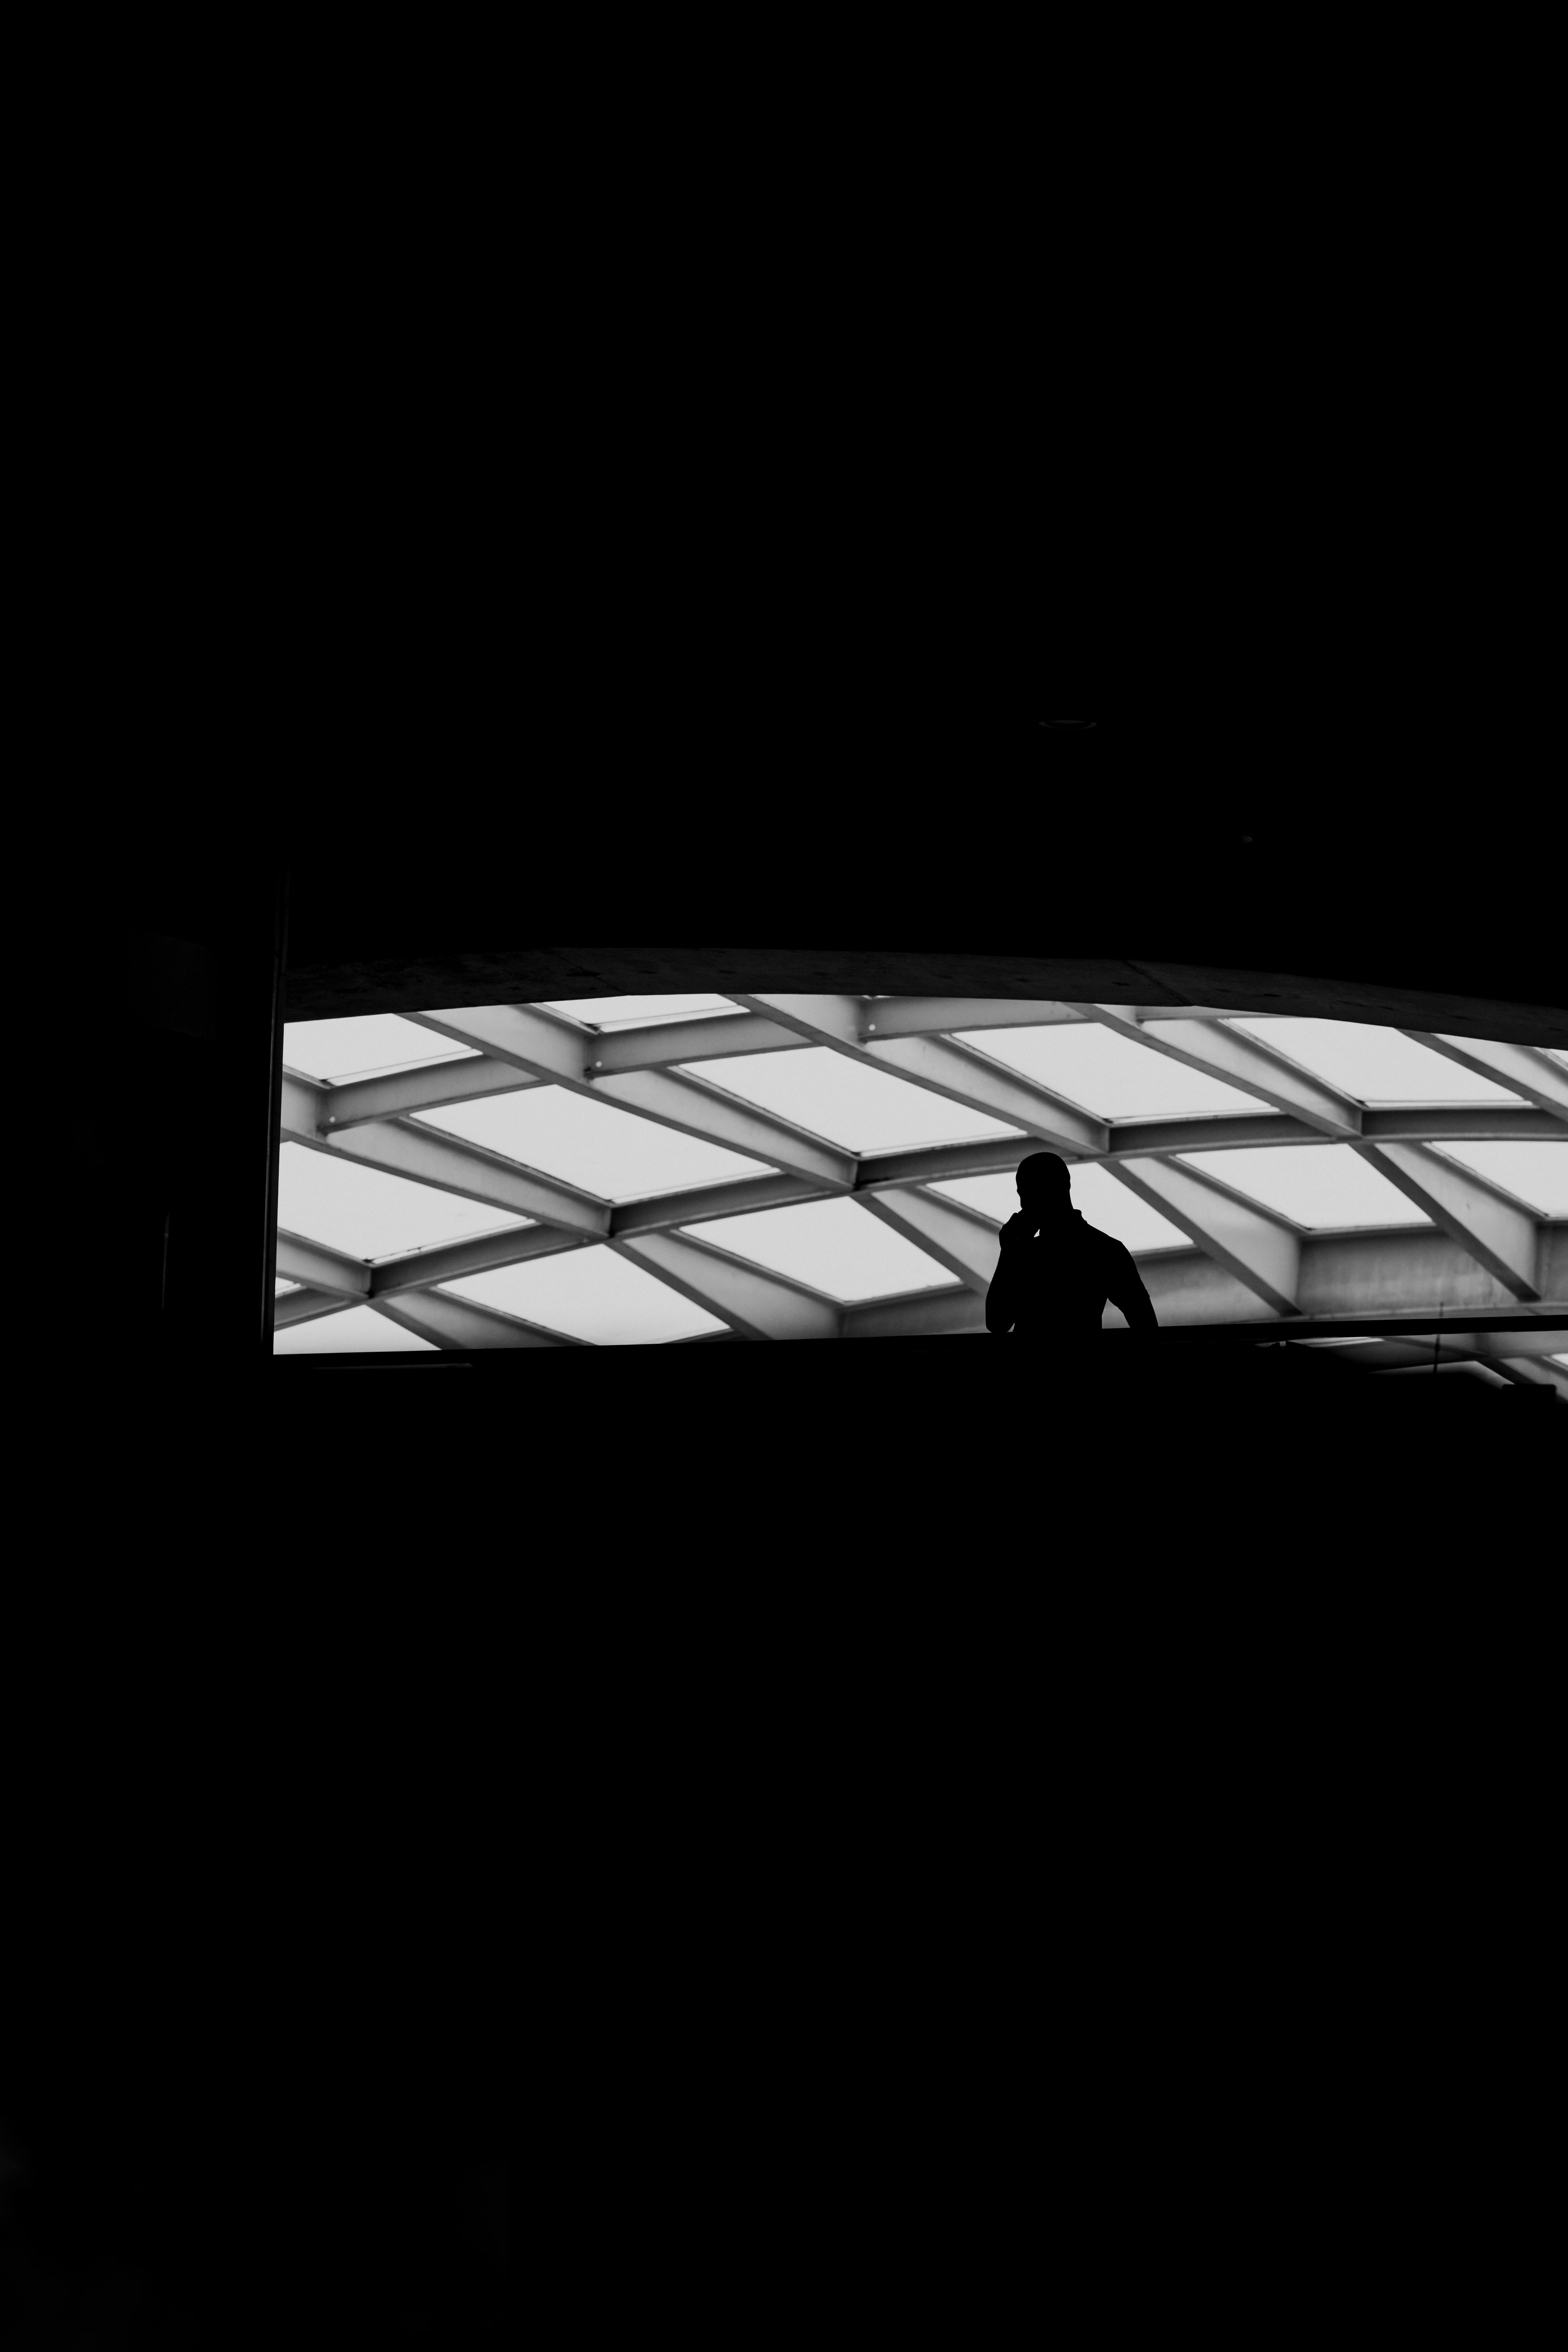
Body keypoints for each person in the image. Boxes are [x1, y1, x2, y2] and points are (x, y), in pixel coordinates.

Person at [985, 1152, 1157, 1341]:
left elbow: (997, 1323)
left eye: (1031, 1192)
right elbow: (1146, 1324)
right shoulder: (1105, 1249)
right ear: (1066, 1185)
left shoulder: (1026, 1254)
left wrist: (1009, 1252)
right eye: (1024, 1193)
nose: (1025, 1202)